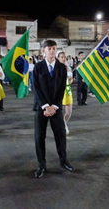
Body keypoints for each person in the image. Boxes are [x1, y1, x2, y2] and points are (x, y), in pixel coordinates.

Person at [33, 40, 74, 178]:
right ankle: (41, 164)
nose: (52, 51)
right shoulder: (37, 67)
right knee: (39, 137)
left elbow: (62, 88)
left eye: (54, 48)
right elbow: (36, 88)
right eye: (49, 48)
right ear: (43, 50)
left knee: (60, 135)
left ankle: (63, 160)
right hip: (41, 108)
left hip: (56, 107)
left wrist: (54, 106)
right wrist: (45, 106)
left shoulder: (62, 68)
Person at [58, 51, 73, 135]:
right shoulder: (56, 68)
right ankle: (62, 126)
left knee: (69, 112)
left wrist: (70, 80)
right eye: (62, 57)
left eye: (64, 57)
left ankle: (64, 122)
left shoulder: (68, 68)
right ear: (58, 58)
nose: (64, 58)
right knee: (58, 112)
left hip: (67, 91)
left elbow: (70, 80)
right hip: (59, 92)